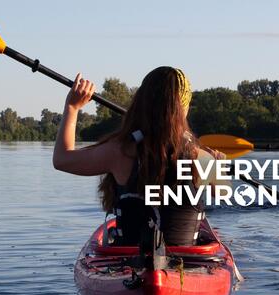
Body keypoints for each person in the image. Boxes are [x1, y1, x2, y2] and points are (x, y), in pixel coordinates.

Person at [53, 66, 218, 247]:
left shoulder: (118, 151)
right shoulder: (202, 158)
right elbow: (220, 193)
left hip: (128, 264)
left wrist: (72, 107)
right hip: (187, 266)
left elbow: (62, 159)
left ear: (141, 102)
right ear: (185, 108)